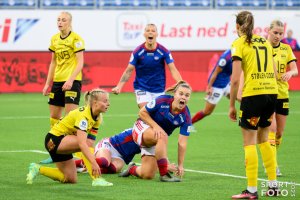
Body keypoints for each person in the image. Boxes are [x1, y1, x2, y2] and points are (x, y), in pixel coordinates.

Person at [229, 11, 279, 199]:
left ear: (237, 27)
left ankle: (251, 190)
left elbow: (234, 80)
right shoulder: (265, 42)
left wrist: (232, 105)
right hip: (271, 93)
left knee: (249, 143)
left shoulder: (239, 43)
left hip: (253, 95)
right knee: (264, 139)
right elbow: (274, 72)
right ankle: (273, 186)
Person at [26, 88, 113, 187]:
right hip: (54, 140)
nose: (108, 104)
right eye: (105, 101)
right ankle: (96, 179)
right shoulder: (84, 116)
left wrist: (89, 159)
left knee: (70, 178)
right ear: (95, 102)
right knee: (84, 143)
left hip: (63, 142)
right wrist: (93, 163)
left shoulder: (97, 117)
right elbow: (82, 144)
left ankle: (37, 168)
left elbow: (90, 142)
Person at [118, 81, 193, 182]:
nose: (184, 97)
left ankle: (132, 169)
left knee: (148, 175)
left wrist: (180, 165)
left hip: (156, 139)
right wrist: (155, 126)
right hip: (142, 127)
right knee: (162, 135)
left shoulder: (186, 116)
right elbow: (142, 112)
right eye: (181, 94)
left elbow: (182, 143)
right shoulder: (162, 100)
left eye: (187, 95)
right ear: (174, 94)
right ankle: (164, 175)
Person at [40, 11, 85, 164]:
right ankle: (56, 151)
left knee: (71, 117)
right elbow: (53, 62)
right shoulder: (54, 39)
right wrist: (48, 83)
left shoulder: (76, 39)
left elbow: (80, 62)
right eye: (58, 20)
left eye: (63, 20)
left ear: (70, 22)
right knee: (54, 117)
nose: (60, 22)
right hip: (58, 82)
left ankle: (78, 155)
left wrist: (71, 80)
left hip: (72, 81)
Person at [112, 23, 182, 108]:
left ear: (157, 34)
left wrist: (180, 84)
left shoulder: (164, 51)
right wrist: (119, 86)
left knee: (157, 116)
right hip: (142, 88)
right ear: (144, 34)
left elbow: (173, 69)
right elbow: (129, 70)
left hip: (158, 89)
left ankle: (140, 122)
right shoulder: (137, 51)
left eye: (153, 31)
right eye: (148, 30)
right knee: (146, 110)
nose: (150, 32)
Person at [267, 20, 298, 177]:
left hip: (283, 94)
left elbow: (295, 70)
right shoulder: (261, 48)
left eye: (280, 33)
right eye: (275, 33)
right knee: (271, 129)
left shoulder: (286, 49)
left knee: (279, 132)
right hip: (266, 93)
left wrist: (290, 73)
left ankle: (272, 158)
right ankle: (272, 165)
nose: (278, 36)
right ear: (269, 31)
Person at [75, 128, 177, 174]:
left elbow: (159, 153)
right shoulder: (142, 134)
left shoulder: (153, 140)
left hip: (121, 157)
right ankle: (78, 163)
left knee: (113, 169)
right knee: (104, 162)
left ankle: (85, 169)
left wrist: (167, 166)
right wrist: (166, 166)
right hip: (109, 145)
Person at [192, 49, 232, 124]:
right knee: (207, 111)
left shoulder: (240, 55)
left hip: (227, 83)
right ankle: (188, 124)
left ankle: (252, 121)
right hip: (217, 86)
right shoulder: (226, 58)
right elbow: (215, 72)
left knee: (240, 98)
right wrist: (209, 87)